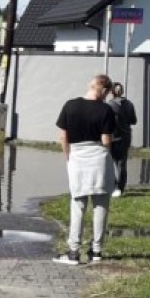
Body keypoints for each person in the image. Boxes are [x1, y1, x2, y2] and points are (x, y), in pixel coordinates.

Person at [54, 73, 117, 265]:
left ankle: (73, 251)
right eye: (108, 93)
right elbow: (106, 140)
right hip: (99, 157)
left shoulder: (70, 105)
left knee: (78, 204)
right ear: (104, 90)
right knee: (100, 206)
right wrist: (107, 152)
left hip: (77, 157)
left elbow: (63, 136)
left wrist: (68, 156)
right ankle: (96, 251)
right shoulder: (106, 110)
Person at [105, 81, 137, 197]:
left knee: (111, 162)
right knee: (122, 163)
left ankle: (113, 186)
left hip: (113, 137)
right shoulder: (129, 104)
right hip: (126, 136)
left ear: (112, 92)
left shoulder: (109, 105)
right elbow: (134, 121)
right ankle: (121, 187)